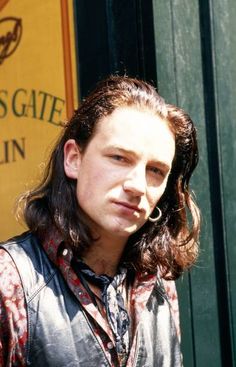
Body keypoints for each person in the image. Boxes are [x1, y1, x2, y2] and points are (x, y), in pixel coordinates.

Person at [0, 75, 200, 367]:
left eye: (156, 170)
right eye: (119, 158)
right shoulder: (10, 282)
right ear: (73, 159)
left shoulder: (158, 285)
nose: (137, 185)